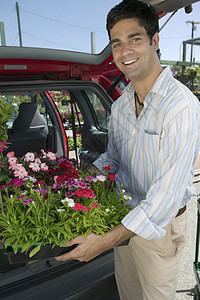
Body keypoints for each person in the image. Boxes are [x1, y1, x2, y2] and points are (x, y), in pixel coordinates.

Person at [56, 1, 200, 299]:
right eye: (117, 43)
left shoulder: (180, 105)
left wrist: (106, 241)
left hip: (158, 230)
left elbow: (167, 195)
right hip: (123, 218)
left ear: (154, 41)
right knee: (129, 294)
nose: (124, 52)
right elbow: (114, 158)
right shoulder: (121, 105)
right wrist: (77, 179)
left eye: (134, 39)